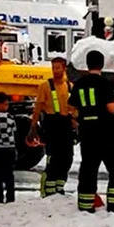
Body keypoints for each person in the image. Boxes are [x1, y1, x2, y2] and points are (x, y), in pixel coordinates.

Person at [68, 50, 114, 213]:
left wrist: (78, 119)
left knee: (88, 167)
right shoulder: (105, 84)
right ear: (101, 64)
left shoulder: (79, 84)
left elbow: (71, 108)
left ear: (87, 64)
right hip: (105, 131)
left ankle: (85, 204)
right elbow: (110, 108)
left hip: (87, 132)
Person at [30, 56, 74, 197]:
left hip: (66, 124)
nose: (55, 71)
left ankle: (59, 186)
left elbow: (74, 109)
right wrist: (33, 127)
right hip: (51, 124)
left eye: (58, 68)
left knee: (67, 157)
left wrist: (76, 121)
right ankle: (48, 188)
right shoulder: (45, 86)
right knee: (53, 158)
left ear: (64, 68)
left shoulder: (70, 86)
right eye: (53, 68)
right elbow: (38, 108)